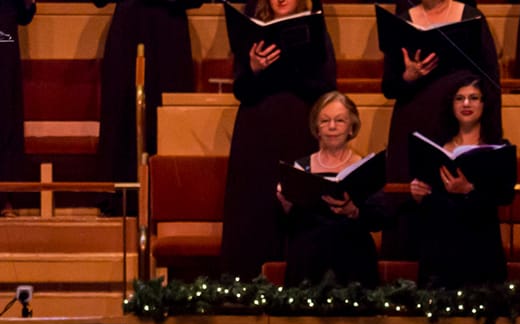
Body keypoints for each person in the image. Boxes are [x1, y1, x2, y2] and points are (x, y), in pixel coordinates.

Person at [378, 0, 503, 260]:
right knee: (414, 200)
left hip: (461, 129)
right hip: (412, 125)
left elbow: (490, 81)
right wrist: (407, 77)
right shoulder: (402, 22)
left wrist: (488, 136)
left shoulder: (471, 18)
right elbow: (389, 86)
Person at [222, 0, 338, 279]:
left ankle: (300, 284)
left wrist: (289, 69)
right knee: (254, 207)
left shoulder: (313, 30)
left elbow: (326, 88)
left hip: (299, 131)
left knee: (296, 205)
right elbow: (241, 91)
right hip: (255, 134)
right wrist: (254, 68)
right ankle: (247, 283)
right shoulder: (252, 34)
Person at [407, 74, 515, 286]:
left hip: (480, 243)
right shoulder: (436, 146)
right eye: (459, 98)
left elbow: (505, 195)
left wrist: (469, 190)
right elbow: (428, 197)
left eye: (474, 98)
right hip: (440, 244)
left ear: (484, 104)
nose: (466, 103)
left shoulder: (499, 148)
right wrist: (418, 193)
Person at [278, 91, 382, 287]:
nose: (332, 127)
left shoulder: (365, 167)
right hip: (308, 257)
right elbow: (292, 224)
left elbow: (378, 218)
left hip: (353, 257)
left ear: (351, 127)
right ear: (317, 128)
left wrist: (354, 211)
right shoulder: (300, 168)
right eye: (325, 121)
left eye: (340, 120)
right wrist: (287, 206)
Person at [95, 0, 197, 198]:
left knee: (167, 118)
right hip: (128, 34)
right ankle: (121, 197)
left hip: (169, 38)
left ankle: (169, 196)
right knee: (124, 114)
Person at [0, 0, 33, 215]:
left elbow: (24, 14)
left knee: (6, 120)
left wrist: (28, 5)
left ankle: (5, 197)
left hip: (5, 39)